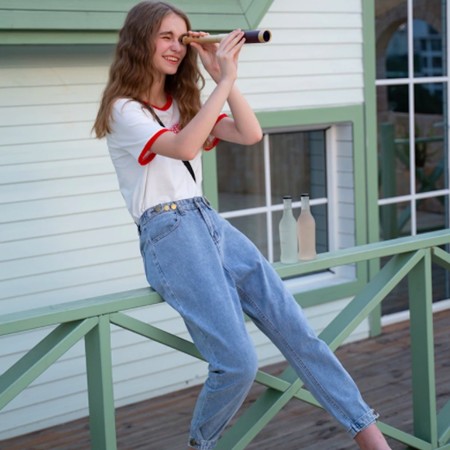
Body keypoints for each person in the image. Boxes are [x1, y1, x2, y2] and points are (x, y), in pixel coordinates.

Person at [93, 2, 392, 449]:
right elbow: (183, 147)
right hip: (168, 232)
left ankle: (370, 436)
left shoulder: (182, 104)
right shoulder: (124, 110)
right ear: (140, 41)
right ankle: (202, 444)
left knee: (298, 332)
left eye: (181, 38)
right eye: (165, 37)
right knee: (237, 363)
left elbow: (250, 134)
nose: (176, 48)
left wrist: (225, 80)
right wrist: (224, 81)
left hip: (207, 219)